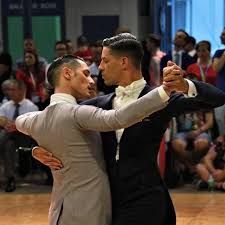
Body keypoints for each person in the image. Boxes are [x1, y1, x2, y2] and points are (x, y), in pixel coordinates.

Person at [32, 33, 225, 225]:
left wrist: (184, 84)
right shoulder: (98, 105)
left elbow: (217, 98)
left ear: (124, 62)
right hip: (108, 202)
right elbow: (52, 121)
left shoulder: (158, 98)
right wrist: (36, 150)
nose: (100, 67)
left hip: (146, 200)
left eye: (105, 61)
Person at [15, 51, 181, 225]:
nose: (92, 81)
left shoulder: (35, 119)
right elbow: (119, 118)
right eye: (86, 74)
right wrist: (164, 91)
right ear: (67, 73)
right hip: (89, 210)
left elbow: (19, 121)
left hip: (58, 211)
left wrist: (34, 150)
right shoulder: (77, 113)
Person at [0, 79, 38, 192]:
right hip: (9, 138)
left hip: (25, 138)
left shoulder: (32, 107)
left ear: (22, 91)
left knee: (7, 134)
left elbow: (32, 128)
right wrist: (9, 124)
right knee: (8, 146)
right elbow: (1, 120)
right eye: (8, 90)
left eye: (12, 89)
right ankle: (10, 178)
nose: (9, 92)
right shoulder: (5, 106)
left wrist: (15, 126)